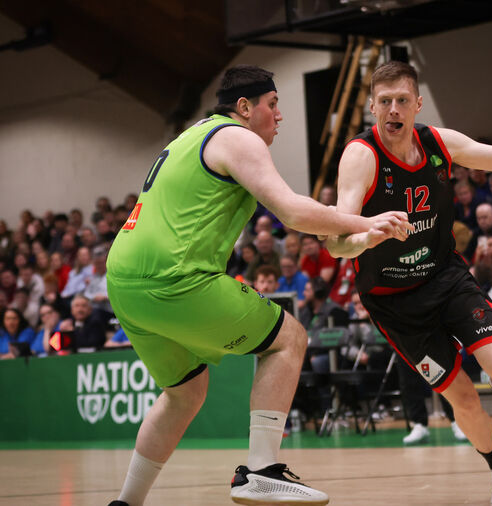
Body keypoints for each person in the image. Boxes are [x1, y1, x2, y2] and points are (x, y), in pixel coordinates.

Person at [104, 65, 410, 506]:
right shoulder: (237, 136)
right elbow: (294, 213)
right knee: (289, 338)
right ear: (244, 108)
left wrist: (344, 229)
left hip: (124, 283)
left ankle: (125, 503)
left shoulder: (193, 136)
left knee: (184, 392)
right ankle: (262, 472)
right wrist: (366, 219)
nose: (279, 115)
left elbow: (306, 215)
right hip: (175, 276)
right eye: (272, 104)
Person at [325, 61, 492, 503]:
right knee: (462, 396)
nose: (393, 110)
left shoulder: (438, 143)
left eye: (402, 100)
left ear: (418, 104)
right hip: (394, 303)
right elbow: (335, 243)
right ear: (371, 107)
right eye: (384, 102)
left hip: (444, 275)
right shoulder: (361, 157)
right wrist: (369, 233)